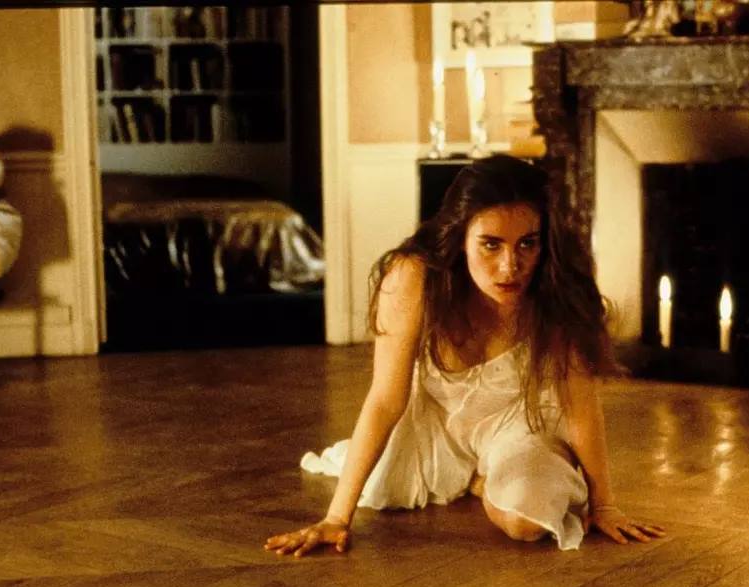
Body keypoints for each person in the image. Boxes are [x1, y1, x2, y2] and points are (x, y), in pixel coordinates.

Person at [265, 156, 666, 556]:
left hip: (522, 420)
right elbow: (385, 400)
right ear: (459, 236)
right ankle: (474, 476)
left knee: (527, 521)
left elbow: (579, 402)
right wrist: (337, 518)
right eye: (491, 245)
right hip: (436, 423)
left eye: (527, 243)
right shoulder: (414, 277)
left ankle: (486, 480)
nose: (511, 266)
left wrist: (604, 506)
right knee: (382, 486)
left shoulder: (554, 284)